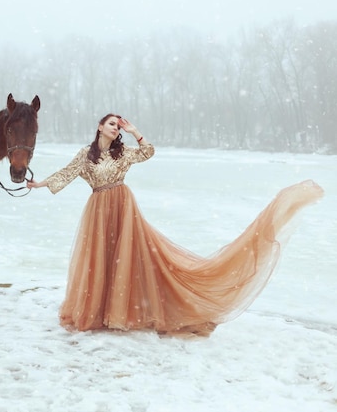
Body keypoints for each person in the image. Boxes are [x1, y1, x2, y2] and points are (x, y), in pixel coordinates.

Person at [26, 114, 324, 336]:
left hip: (121, 205)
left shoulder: (123, 153)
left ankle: (132, 309)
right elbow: (65, 173)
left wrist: (135, 132)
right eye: (112, 124)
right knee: (100, 260)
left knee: (130, 257)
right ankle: (100, 311)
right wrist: (39, 184)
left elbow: (148, 152)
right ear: (99, 127)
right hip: (98, 207)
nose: (116, 128)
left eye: (119, 125)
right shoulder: (85, 155)